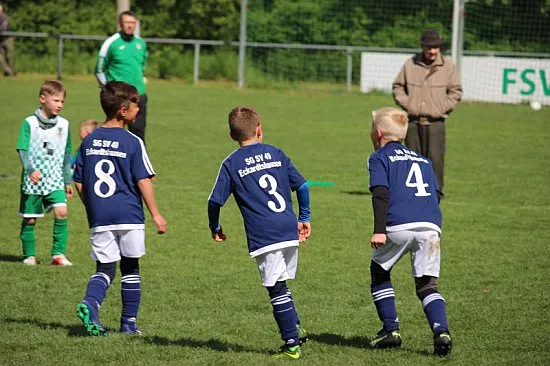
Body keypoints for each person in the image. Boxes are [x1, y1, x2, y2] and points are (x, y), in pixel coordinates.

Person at [207, 106, 311, 359]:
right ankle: (296, 327)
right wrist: (304, 217)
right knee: (281, 281)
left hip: (265, 234)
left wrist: (215, 226)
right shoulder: (276, 152)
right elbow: (303, 185)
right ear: (259, 129)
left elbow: (214, 202)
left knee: (275, 286)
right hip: (287, 227)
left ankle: (291, 345)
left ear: (232, 135)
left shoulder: (231, 163)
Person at [73, 81, 167, 336]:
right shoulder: (132, 141)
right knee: (130, 267)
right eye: (135, 107)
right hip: (129, 215)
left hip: (100, 215)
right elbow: (143, 180)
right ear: (122, 111)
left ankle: (90, 303)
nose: (138, 111)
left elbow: (79, 180)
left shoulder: (89, 141)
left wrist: (91, 206)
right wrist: (156, 214)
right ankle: (128, 325)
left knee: (104, 269)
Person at [366, 107, 452, 357]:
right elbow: (436, 193)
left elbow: (380, 193)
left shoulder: (379, 158)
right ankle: (441, 331)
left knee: (379, 271)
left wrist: (379, 230)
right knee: (427, 285)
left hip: (397, 225)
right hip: (430, 226)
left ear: (378, 133)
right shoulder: (423, 159)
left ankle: (390, 330)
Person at [392, 29, 462, 196]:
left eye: (436, 47)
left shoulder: (448, 67)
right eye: (429, 47)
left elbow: (456, 92)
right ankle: (412, 192)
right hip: (413, 122)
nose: (432, 51)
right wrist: (409, 105)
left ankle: (436, 193)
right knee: (412, 160)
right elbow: (398, 87)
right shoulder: (410, 64)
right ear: (422, 47)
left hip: (436, 123)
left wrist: (439, 109)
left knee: (435, 160)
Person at [16, 80, 73, 266]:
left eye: (62, 101)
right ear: (42, 99)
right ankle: (29, 256)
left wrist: (67, 180)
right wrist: (30, 169)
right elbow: (22, 149)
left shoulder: (64, 125)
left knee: (62, 212)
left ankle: (58, 254)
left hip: (55, 178)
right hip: (33, 180)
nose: (59, 105)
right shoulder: (29, 123)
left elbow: (66, 154)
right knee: (30, 219)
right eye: (56, 100)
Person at [95, 10, 148, 143]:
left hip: (138, 95)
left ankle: (138, 161)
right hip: (119, 97)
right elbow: (99, 70)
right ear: (120, 24)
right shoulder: (111, 43)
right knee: (115, 131)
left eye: (132, 23)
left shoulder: (141, 43)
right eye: (127, 22)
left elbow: (142, 66)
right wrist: (110, 91)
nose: (130, 26)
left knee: (138, 133)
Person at [0, 3, 16, 76]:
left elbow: (4, 27)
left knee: (9, 56)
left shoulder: (4, 17)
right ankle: (9, 71)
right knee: (0, 57)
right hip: (0, 40)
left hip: (7, 38)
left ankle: (11, 71)